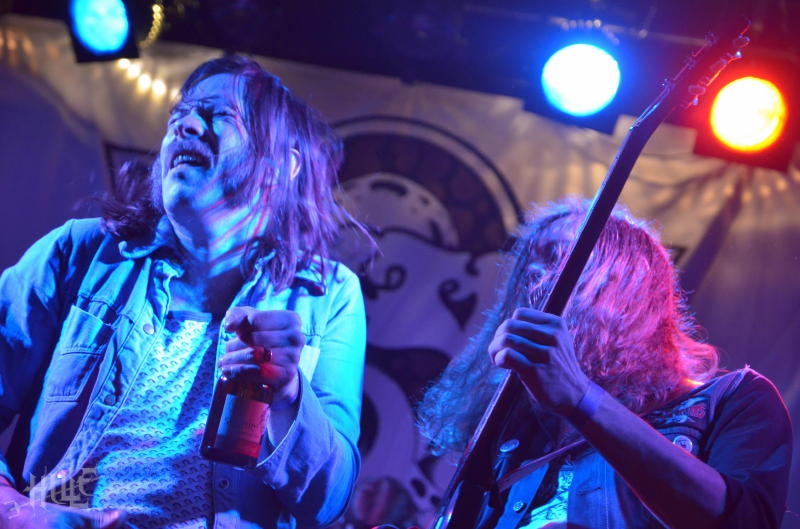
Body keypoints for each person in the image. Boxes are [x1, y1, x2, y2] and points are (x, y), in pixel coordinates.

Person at [0, 54, 371, 528]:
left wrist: (288, 395)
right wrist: (17, 513)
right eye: (180, 114)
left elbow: (329, 501)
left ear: (283, 164)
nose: (186, 126)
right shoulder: (80, 253)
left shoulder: (329, 295)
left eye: (219, 115)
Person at [417, 198, 793, 529]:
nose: (535, 275)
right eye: (532, 263)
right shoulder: (519, 431)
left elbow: (744, 523)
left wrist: (582, 398)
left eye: (557, 259)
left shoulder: (733, 399)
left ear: (625, 290)